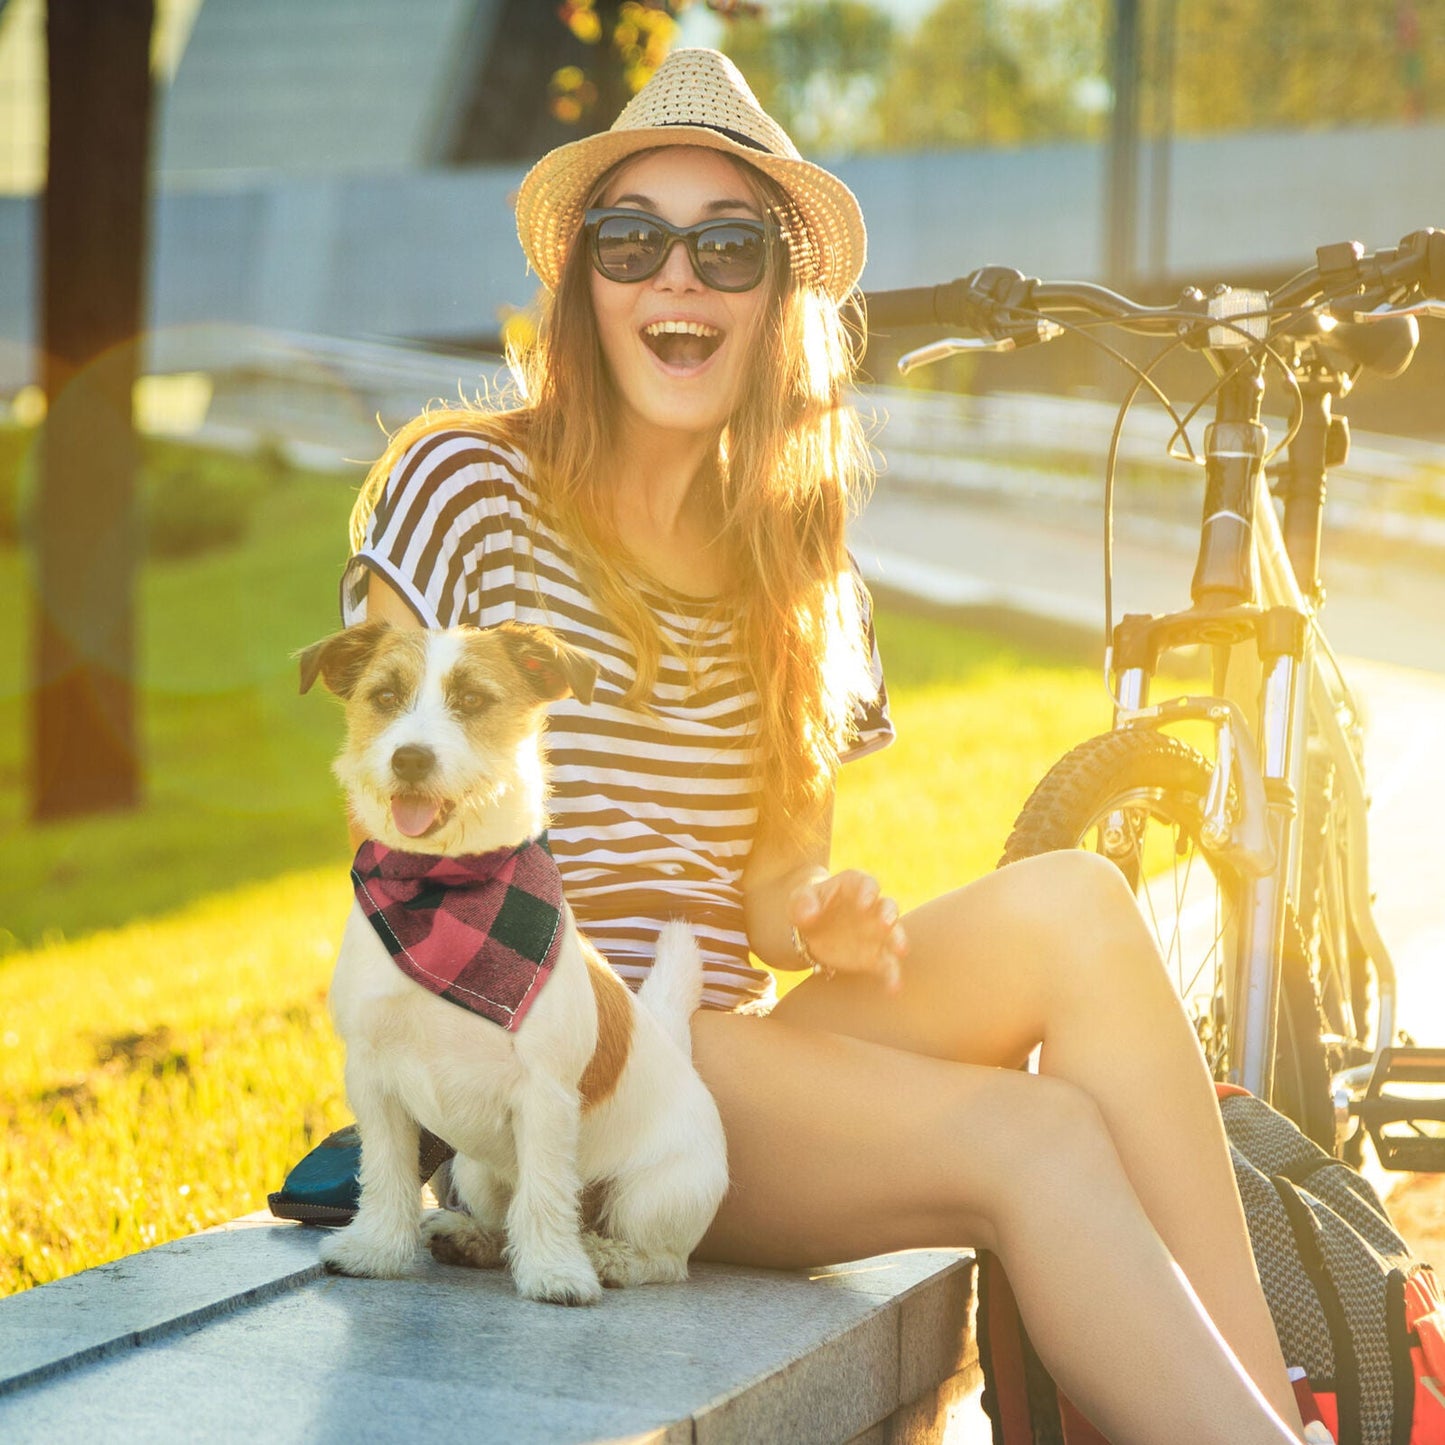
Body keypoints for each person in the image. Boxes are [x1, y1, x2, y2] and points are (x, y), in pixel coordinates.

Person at [295, 48, 1323, 1444]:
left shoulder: (803, 569)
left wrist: (815, 910)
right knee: (1033, 1134)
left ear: (779, 298)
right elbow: (400, 827)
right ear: (582, 284)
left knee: (1080, 907)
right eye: (631, 240)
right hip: (547, 1068)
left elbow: (772, 900)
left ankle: (1273, 1412)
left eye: (726, 248)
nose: (676, 279)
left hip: (710, 1045)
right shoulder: (459, 485)